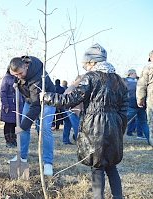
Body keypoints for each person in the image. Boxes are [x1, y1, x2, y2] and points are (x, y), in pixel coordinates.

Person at [42, 43, 128, 198]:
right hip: (114, 126)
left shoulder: (90, 78)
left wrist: (47, 97)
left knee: (97, 167)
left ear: (92, 62)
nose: (85, 67)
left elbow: (70, 99)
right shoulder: (118, 80)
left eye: (86, 64)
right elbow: (124, 109)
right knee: (111, 167)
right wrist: (120, 128)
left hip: (95, 126)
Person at [8, 55, 56, 176]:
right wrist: (16, 82)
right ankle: (22, 157)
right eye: (15, 75)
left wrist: (23, 126)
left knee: (44, 129)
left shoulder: (37, 79)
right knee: (24, 128)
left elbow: (36, 107)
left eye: (20, 74)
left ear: (26, 66)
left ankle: (48, 163)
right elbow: (13, 74)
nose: (18, 76)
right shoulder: (19, 66)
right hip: (30, 100)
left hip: (47, 100)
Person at [0, 66, 24, 148]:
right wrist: (5, 104)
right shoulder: (6, 79)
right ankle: (8, 141)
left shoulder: (19, 78)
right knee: (8, 124)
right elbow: (3, 92)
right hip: (9, 105)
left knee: (15, 123)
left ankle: (14, 140)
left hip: (18, 105)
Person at [123, 69, 149, 140]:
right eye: (135, 73)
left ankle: (114, 137)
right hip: (141, 105)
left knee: (123, 121)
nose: (136, 74)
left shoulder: (124, 82)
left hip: (131, 105)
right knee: (144, 123)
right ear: (131, 74)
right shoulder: (139, 82)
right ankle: (150, 140)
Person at [136, 50, 153, 146]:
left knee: (152, 122)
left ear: (150, 57)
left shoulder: (148, 67)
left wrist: (140, 99)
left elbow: (142, 84)